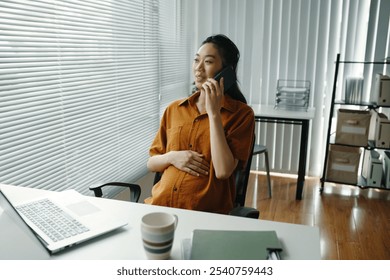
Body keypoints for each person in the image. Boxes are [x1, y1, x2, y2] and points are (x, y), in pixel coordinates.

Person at [144, 34, 255, 214]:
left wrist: (214, 114)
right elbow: (151, 163)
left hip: (203, 214)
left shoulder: (241, 115)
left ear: (226, 71)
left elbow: (223, 171)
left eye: (208, 62)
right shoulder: (174, 109)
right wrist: (172, 157)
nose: (198, 68)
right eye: (196, 60)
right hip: (158, 207)